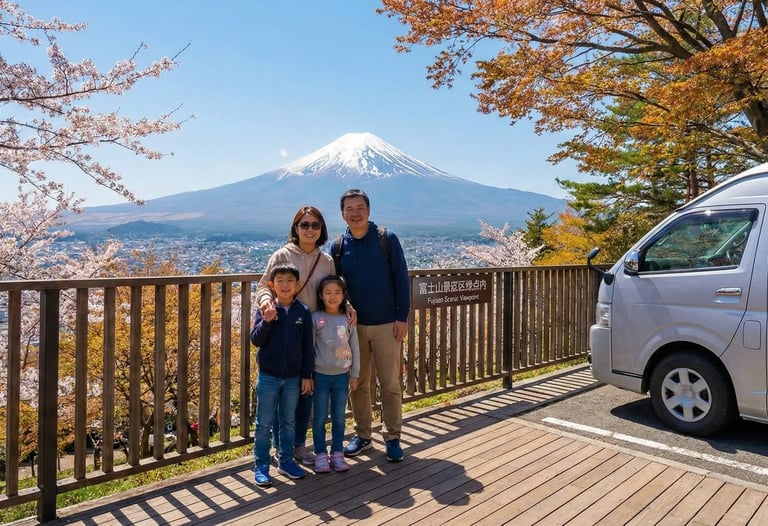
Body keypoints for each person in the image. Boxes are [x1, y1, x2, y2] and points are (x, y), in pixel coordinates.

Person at [330, 188, 410, 463]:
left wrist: (402, 317)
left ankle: (393, 437)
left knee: (390, 384)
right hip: (353, 328)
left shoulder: (386, 239)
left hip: (388, 324)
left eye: (359, 207)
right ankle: (363, 434)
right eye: (349, 208)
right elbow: (333, 286)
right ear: (342, 214)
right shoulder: (339, 246)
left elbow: (401, 278)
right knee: (359, 384)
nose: (355, 212)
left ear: (369, 210)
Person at [255, 205, 338, 467]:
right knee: (285, 391)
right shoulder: (282, 255)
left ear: (321, 229)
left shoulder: (326, 261)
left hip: (316, 332)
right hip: (285, 331)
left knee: (306, 390)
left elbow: (334, 290)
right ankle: (283, 448)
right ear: (295, 228)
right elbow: (263, 285)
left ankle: (298, 445)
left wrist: (346, 308)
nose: (310, 229)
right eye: (304, 224)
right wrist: (268, 303)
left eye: (315, 225)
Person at [250, 263, 314, 487]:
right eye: (280, 281)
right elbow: (256, 340)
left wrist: (307, 375)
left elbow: (308, 347)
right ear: (272, 285)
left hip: (294, 377)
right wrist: (266, 321)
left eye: (290, 281)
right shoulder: (265, 309)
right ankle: (261, 465)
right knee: (263, 424)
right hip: (268, 375)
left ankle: (286, 461)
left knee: (289, 422)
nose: (285, 285)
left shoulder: (303, 312)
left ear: (297, 285)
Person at [311, 275, 360, 473]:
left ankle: (337, 452)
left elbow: (354, 346)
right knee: (320, 416)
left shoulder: (348, 318)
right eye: (328, 293)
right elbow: (310, 347)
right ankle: (320, 453)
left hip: (342, 374)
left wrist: (355, 373)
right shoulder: (316, 318)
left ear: (343, 296)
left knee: (339, 416)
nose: (332, 297)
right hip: (320, 373)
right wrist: (308, 374)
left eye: (337, 292)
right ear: (320, 295)